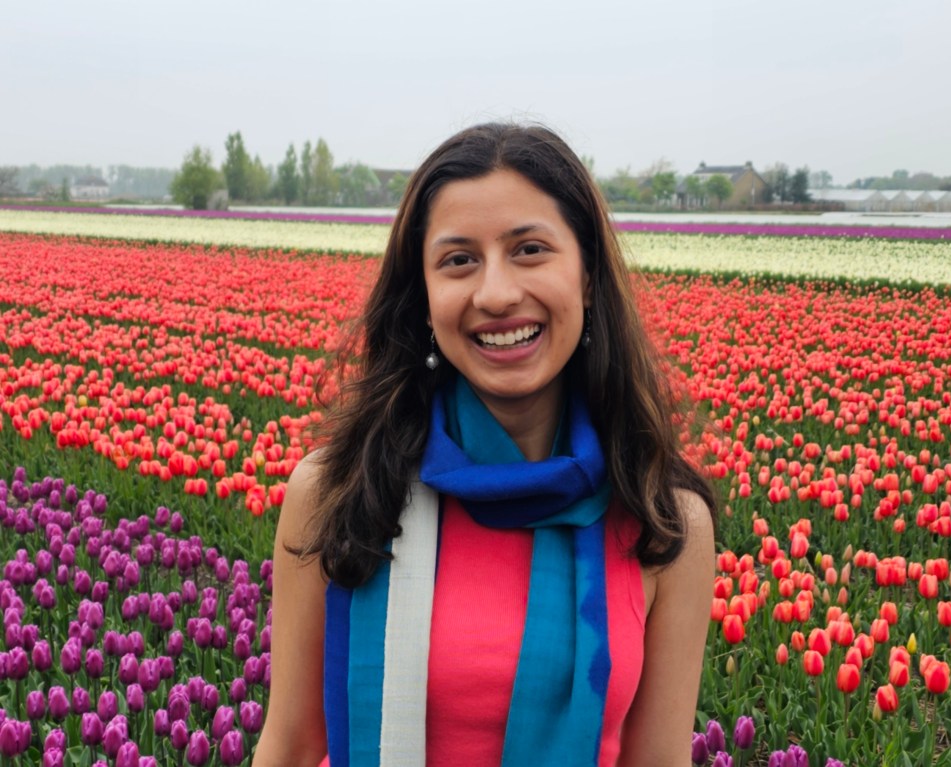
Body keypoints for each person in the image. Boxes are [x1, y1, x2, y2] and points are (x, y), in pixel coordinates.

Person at [253, 123, 717, 767]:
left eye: (529, 250)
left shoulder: (663, 519)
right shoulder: (339, 489)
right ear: (424, 298)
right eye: (459, 260)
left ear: (587, 275)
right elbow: (292, 747)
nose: (496, 294)